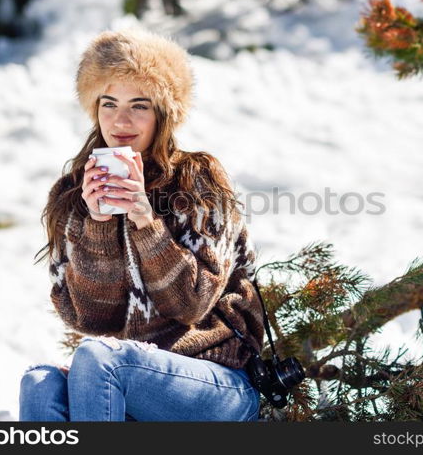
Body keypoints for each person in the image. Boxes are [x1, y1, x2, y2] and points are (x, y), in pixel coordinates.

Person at [19, 27, 265, 422]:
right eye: (109, 103)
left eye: (139, 105)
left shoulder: (197, 180)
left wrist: (144, 220)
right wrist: (97, 225)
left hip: (218, 382)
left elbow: (192, 304)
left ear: (163, 114)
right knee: (40, 383)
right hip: (127, 375)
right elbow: (90, 320)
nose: (120, 120)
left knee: (101, 359)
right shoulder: (72, 194)